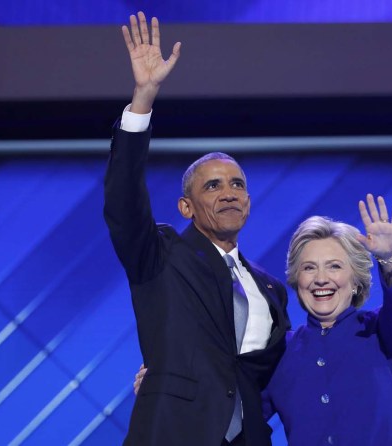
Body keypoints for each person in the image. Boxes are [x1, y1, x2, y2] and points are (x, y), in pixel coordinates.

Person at [105, 11, 290, 446]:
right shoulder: (161, 254)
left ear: (248, 202)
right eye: (213, 185)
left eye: (237, 184)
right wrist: (143, 100)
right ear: (186, 206)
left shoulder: (269, 290)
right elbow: (123, 201)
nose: (228, 193)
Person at [135, 195, 392, 445]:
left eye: (334, 266)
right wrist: (167, 390)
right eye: (309, 268)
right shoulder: (278, 352)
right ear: (297, 280)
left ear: (356, 281)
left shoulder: (381, 333)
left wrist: (388, 259)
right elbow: (229, 411)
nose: (321, 278)